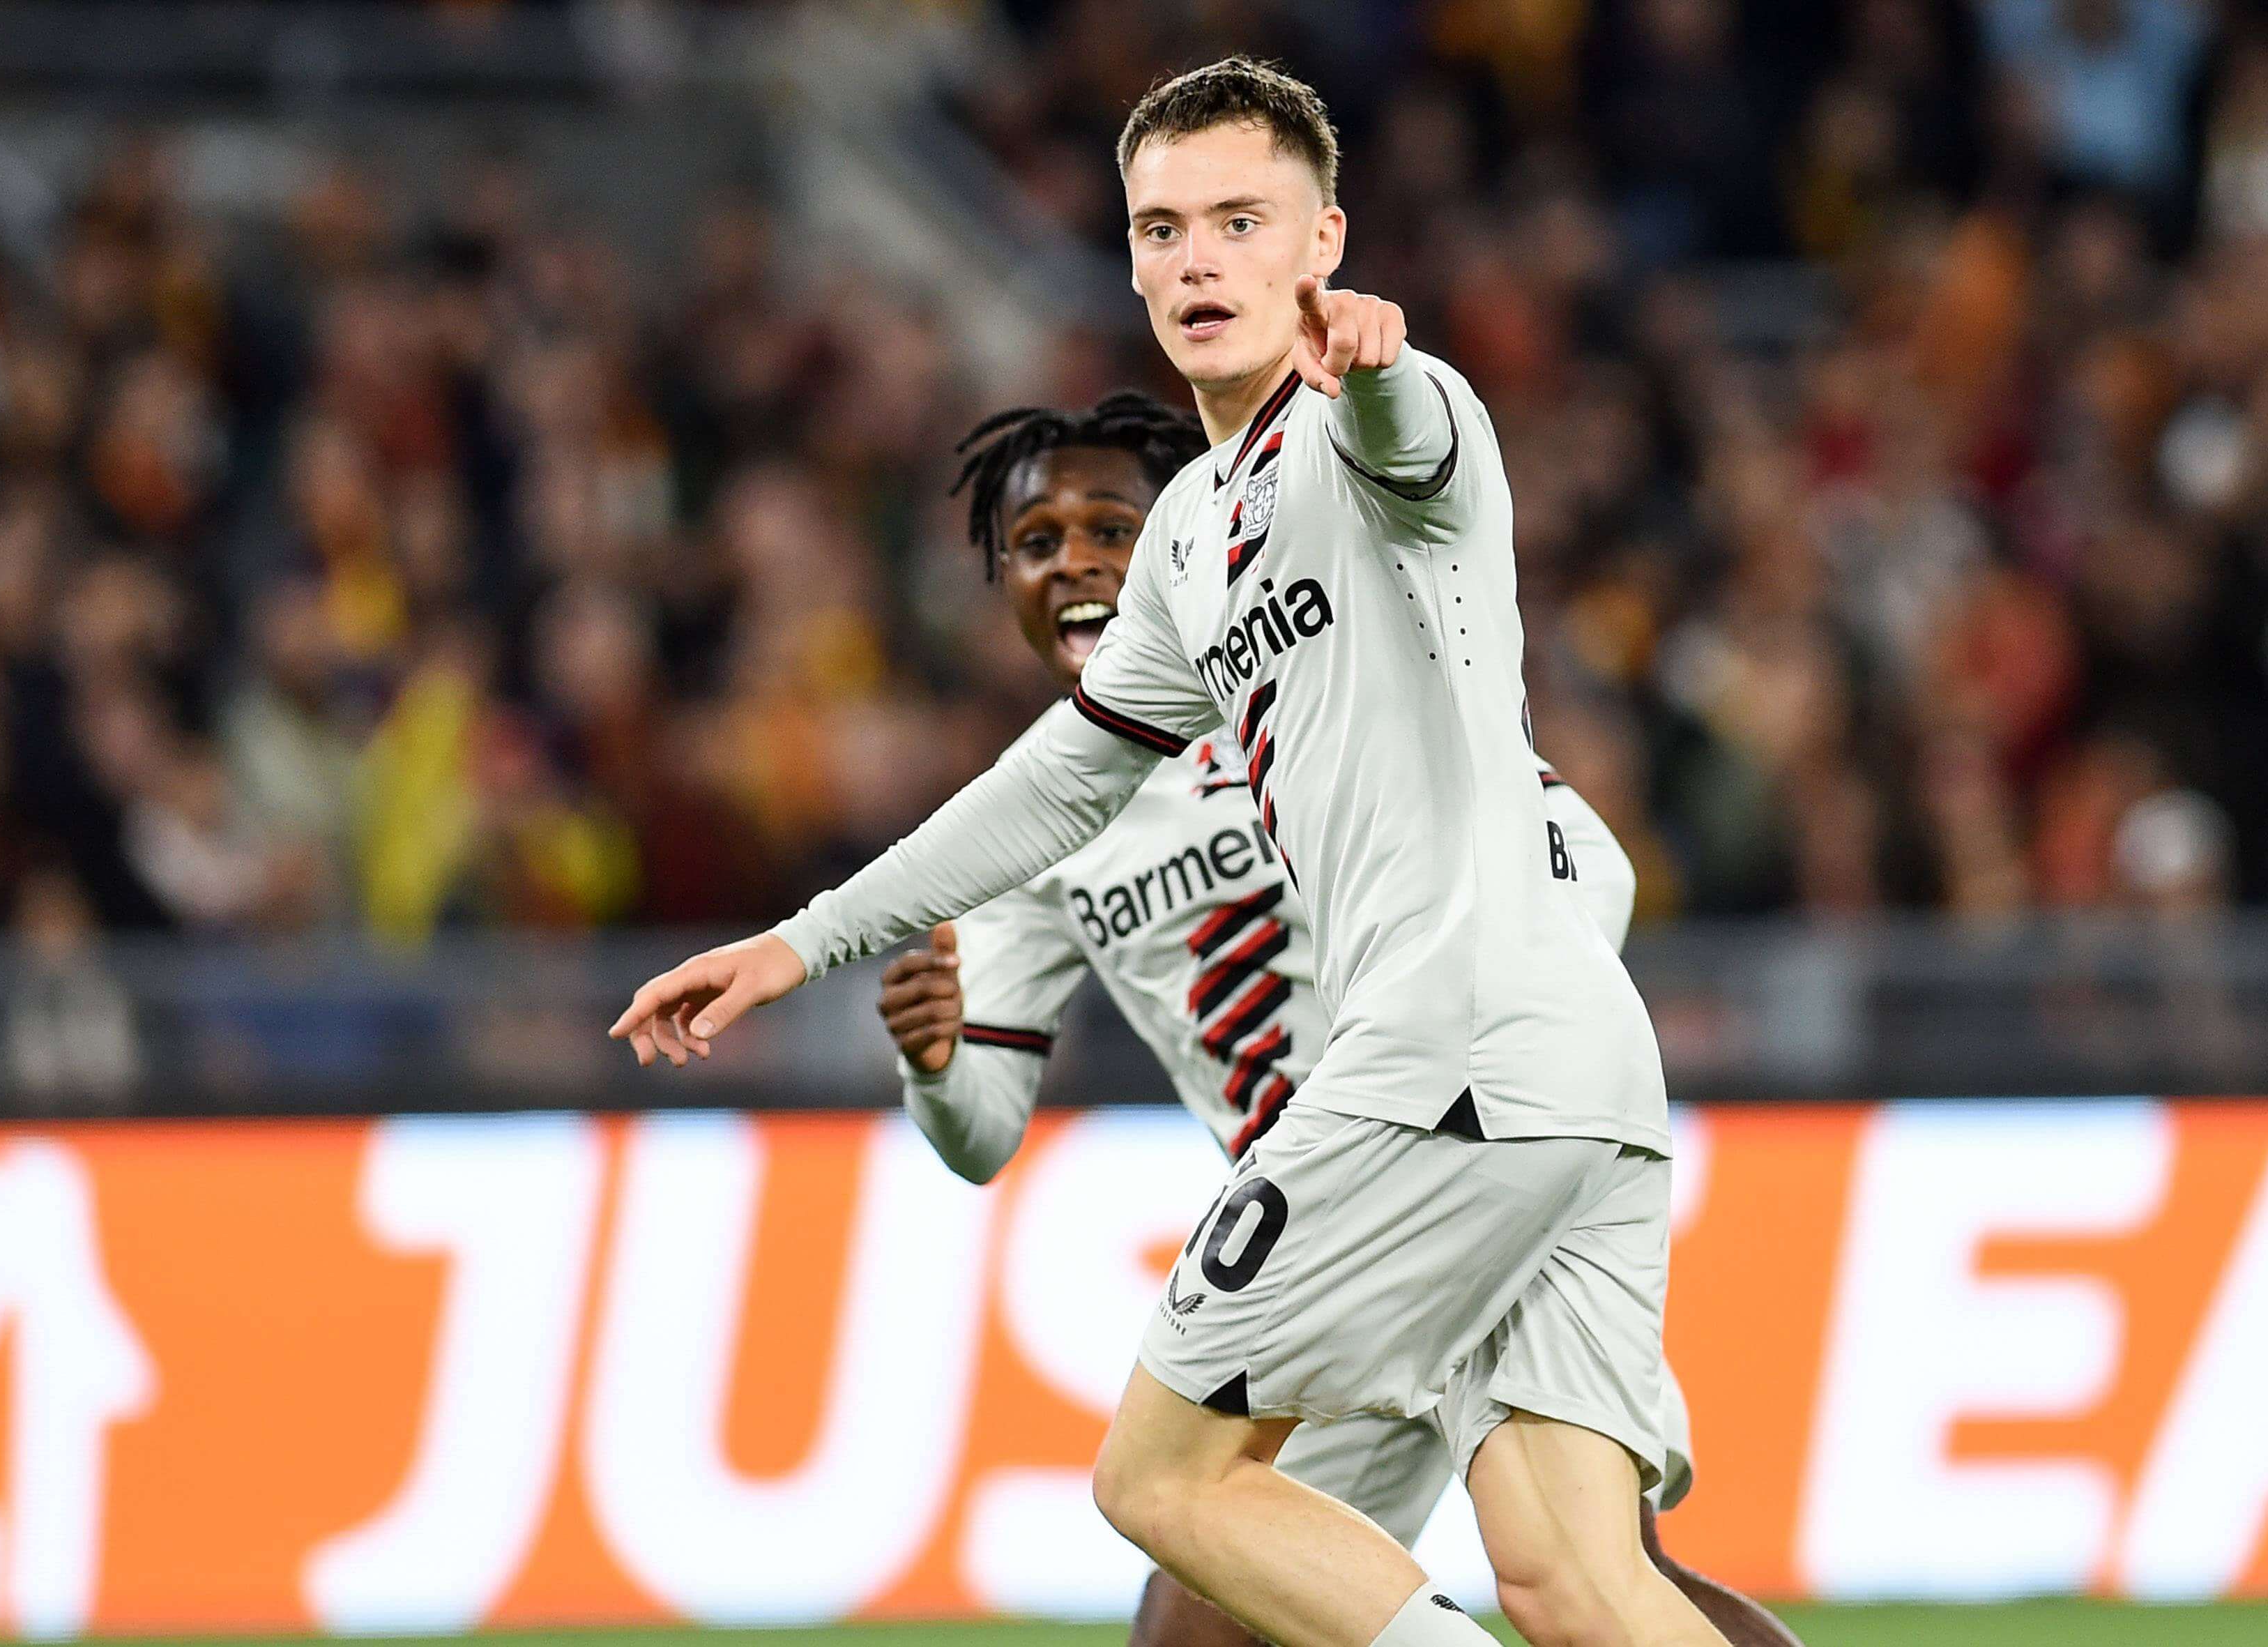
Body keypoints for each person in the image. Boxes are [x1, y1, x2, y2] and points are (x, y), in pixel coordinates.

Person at [616, 56, 1721, 1647]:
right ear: (1129, 264)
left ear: (1320, 242)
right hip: (1561, 1072)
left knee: (1162, 1480)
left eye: (1238, 222)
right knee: (1578, 1583)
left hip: (1442, 1055)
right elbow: (1056, 782)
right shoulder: (1191, 535)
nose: (1197, 260)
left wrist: (1387, 365)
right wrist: (803, 941)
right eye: (1160, 230)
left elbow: (1411, 448)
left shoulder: (1388, 425)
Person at [877, 390, 1802, 1647]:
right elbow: (982, 1132)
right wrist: (936, 1065)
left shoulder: (1311, 685)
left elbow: (1595, 868)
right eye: (1039, 542)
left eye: (1113, 527)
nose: (1078, 563)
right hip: (1321, 1238)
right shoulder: (1040, 827)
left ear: (1185, 548)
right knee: (1561, 1592)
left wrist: (1457, 1059)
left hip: (1458, 1161)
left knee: (1586, 1580)